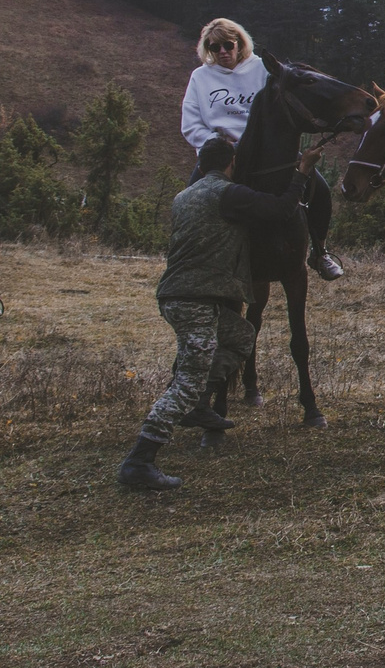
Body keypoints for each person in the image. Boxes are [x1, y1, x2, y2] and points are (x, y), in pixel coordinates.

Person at [117, 138, 315, 492]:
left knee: (241, 335)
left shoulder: (184, 196)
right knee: (186, 384)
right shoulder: (228, 194)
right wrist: (301, 173)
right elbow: (282, 209)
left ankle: (200, 399)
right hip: (195, 300)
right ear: (231, 163)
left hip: (178, 295)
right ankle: (140, 460)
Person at [179, 16, 343, 282]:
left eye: (227, 45)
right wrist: (218, 146)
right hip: (222, 155)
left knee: (320, 191)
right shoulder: (200, 77)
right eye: (213, 47)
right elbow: (190, 123)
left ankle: (320, 251)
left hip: (267, 150)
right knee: (192, 198)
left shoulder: (262, 70)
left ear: (239, 43)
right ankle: (192, 258)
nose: (222, 52)